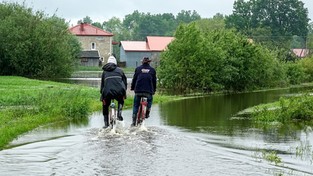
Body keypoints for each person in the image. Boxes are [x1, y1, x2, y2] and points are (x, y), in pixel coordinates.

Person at [100, 55, 127, 128]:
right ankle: (119, 114)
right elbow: (124, 82)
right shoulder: (120, 70)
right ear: (115, 63)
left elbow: (102, 85)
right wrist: (124, 92)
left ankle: (106, 123)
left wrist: (102, 95)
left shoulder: (104, 72)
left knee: (105, 105)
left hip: (107, 92)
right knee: (121, 100)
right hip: (119, 92)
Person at [130, 56, 157, 126]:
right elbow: (154, 82)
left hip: (138, 91)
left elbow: (134, 80)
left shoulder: (138, 69)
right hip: (148, 91)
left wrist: (132, 88)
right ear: (149, 62)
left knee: (136, 105)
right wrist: (154, 90)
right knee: (150, 100)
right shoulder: (152, 70)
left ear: (142, 62)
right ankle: (147, 111)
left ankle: (133, 121)